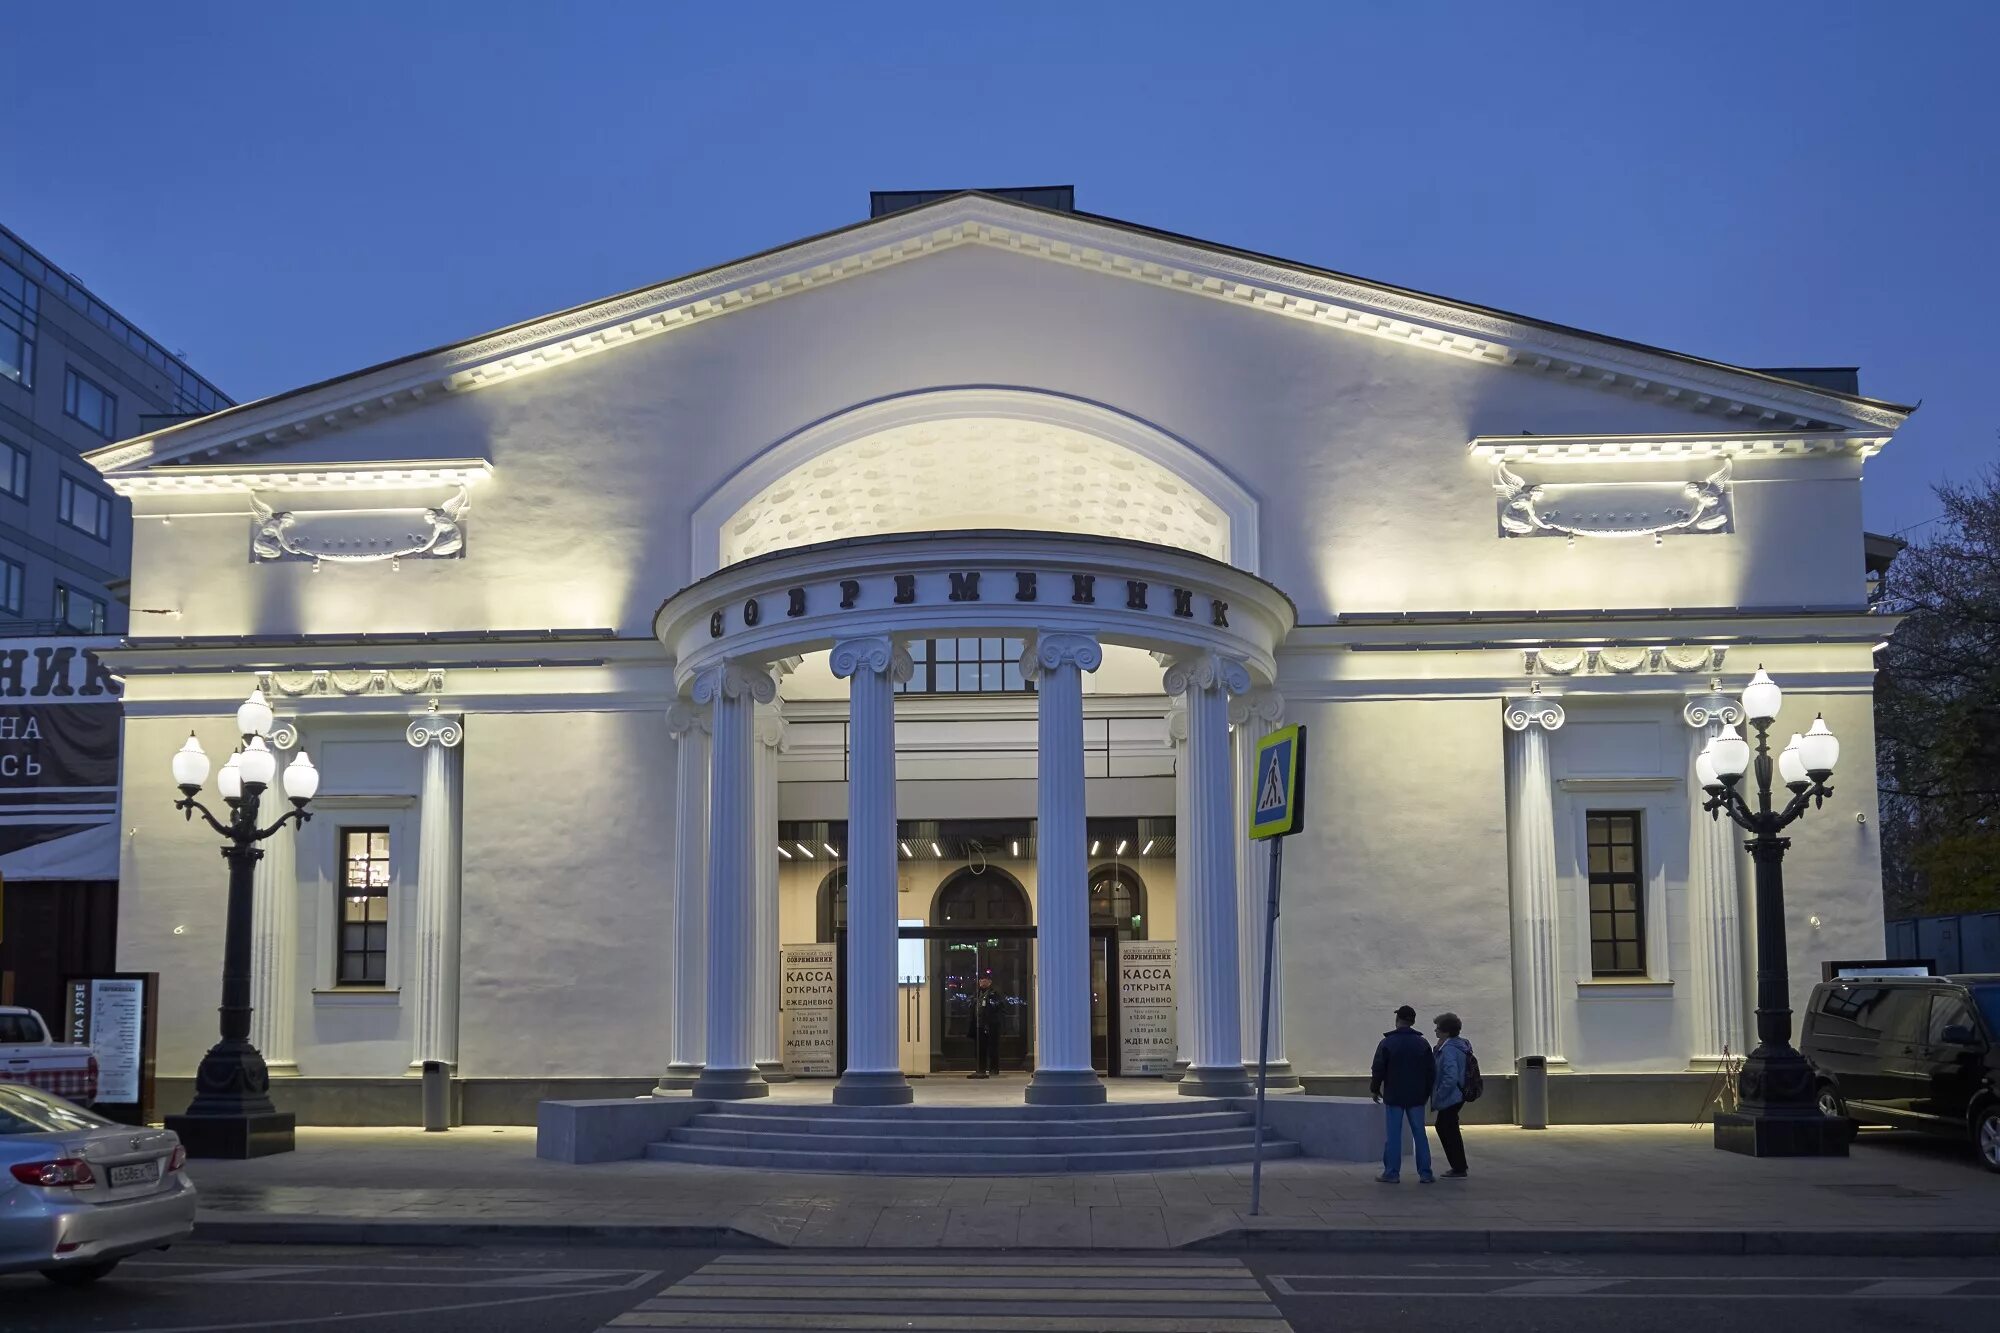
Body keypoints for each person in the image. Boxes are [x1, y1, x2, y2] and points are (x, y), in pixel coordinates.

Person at [1369, 1003, 1437, 1183]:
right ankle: (1425, 1173)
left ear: (1398, 1020)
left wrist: (1375, 1089)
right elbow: (1431, 1071)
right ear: (1413, 1021)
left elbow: (1378, 1068)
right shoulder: (1422, 1043)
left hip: (1394, 1095)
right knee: (1419, 1134)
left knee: (1393, 1135)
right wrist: (1426, 1092)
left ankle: (1391, 1172)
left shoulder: (1387, 1042)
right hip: (1416, 1096)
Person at [1431, 1012, 1473, 1178]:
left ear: (1446, 1032)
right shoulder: (1460, 1045)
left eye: (1438, 1029)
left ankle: (1458, 1166)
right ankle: (1459, 1165)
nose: (1435, 1031)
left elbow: (1450, 1076)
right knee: (1449, 1127)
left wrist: (1439, 1095)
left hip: (1452, 1095)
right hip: (1459, 1093)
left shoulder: (1448, 1049)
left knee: (1445, 1127)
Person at [970, 974, 1003, 1078]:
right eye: (981, 981)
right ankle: (981, 1069)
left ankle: (994, 1069)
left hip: (991, 1025)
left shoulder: (995, 993)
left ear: (989, 982)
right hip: (979, 1025)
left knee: (993, 1048)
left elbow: (999, 1006)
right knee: (980, 1048)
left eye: (984, 980)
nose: (982, 982)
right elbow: (971, 1004)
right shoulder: (976, 993)